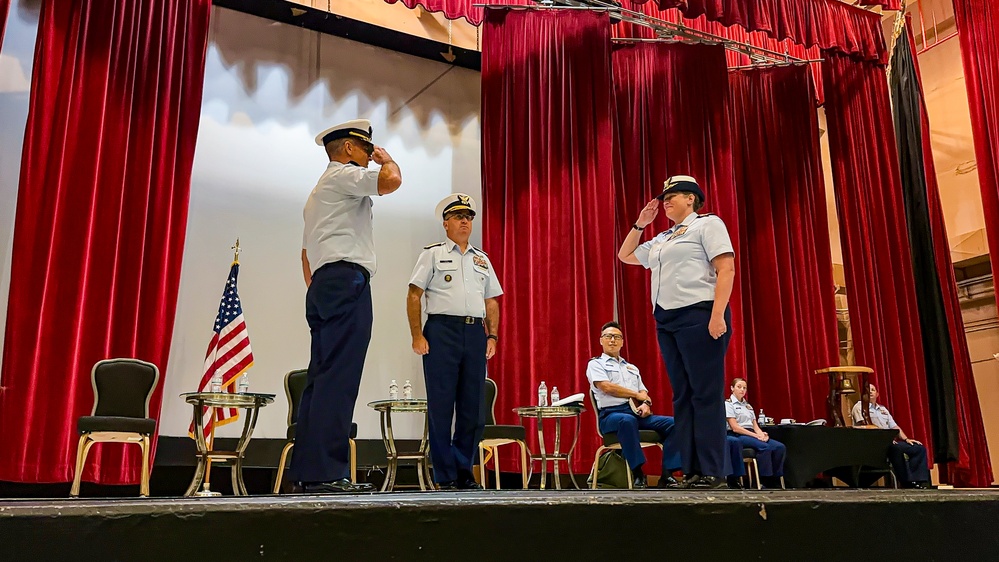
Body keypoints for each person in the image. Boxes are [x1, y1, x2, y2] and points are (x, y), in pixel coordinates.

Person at [291, 119, 402, 493]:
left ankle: (310, 471)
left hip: (323, 283)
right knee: (340, 379)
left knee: (321, 379)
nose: (371, 155)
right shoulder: (343, 176)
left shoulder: (316, 193)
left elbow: (306, 255)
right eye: (367, 149)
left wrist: (325, 286)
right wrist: (388, 160)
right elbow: (391, 182)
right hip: (346, 280)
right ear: (350, 149)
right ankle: (326, 474)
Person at [618, 175, 736, 490]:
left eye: (674, 194)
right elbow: (625, 256)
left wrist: (717, 315)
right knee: (683, 395)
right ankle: (693, 469)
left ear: (692, 198)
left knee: (706, 393)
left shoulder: (708, 225)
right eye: (664, 196)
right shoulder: (663, 237)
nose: (666, 200)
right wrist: (641, 224)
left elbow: (726, 268)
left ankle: (713, 470)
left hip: (700, 314)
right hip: (667, 321)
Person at [407, 193, 502, 491]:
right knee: (441, 405)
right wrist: (417, 335)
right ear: (446, 223)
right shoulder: (433, 254)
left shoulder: (481, 259)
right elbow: (414, 295)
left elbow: (491, 301)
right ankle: (445, 475)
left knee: (472, 407)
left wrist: (493, 335)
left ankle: (464, 471)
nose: (465, 221)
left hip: (474, 333)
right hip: (441, 332)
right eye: (459, 216)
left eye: (469, 217)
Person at [586, 321, 746, 489]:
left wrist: (646, 404)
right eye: (608, 336)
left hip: (637, 413)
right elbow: (606, 387)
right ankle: (637, 472)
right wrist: (635, 395)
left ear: (622, 342)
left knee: (676, 424)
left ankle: (667, 473)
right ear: (601, 340)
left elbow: (644, 393)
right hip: (611, 415)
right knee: (626, 421)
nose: (613, 340)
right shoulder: (595, 364)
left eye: (617, 337)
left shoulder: (631, 368)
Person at [852, 383, 931, 489]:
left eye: (873, 390)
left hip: (889, 442)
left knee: (918, 448)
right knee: (896, 449)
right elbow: (865, 426)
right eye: (868, 390)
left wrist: (907, 439)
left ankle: (919, 481)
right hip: (873, 444)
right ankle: (906, 482)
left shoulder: (883, 409)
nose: (870, 392)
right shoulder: (859, 406)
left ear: (877, 394)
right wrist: (886, 438)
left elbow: (894, 426)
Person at [725, 378, 786, 486]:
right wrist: (756, 436)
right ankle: (765, 480)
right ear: (732, 388)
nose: (742, 390)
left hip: (752, 433)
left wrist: (762, 434)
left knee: (779, 447)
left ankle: (775, 478)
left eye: (744, 388)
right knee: (764, 447)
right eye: (739, 387)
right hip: (739, 434)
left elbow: (755, 425)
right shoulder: (728, 404)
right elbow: (735, 427)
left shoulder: (748, 406)